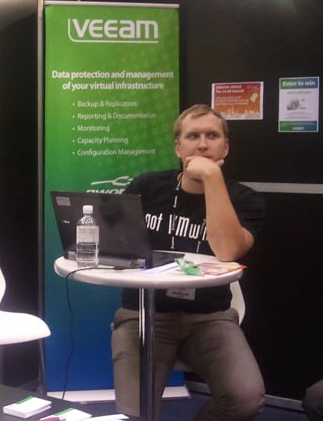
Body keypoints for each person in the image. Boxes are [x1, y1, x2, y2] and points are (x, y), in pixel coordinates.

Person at [112, 104, 266, 420]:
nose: (203, 144)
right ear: (178, 147)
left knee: (245, 399)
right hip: (144, 314)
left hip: (210, 318)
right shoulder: (146, 187)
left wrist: (212, 178)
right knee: (133, 413)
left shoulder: (246, 199)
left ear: (225, 147)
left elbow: (227, 250)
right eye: (193, 136)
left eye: (212, 136)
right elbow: (115, 247)